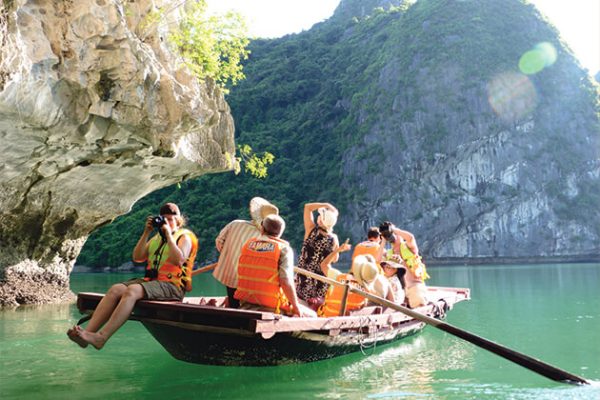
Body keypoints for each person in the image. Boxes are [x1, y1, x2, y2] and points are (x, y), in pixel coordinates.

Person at [67, 203, 198, 349]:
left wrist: (168, 235)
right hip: (152, 283)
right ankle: (87, 334)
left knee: (133, 290)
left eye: (171, 219)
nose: (167, 222)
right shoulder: (156, 239)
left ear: (179, 220)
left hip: (172, 287)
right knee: (116, 289)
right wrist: (146, 232)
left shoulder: (185, 237)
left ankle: (101, 337)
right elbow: (137, 257)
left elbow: (178, 260)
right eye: (164, 219)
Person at [234, 214, 316, 317]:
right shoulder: (283, 249)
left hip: (245, 304)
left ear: (262, 229)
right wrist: (296, 306)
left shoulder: (248, 245)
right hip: (272, 309)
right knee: (312, 315)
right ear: (281, 232)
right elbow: (285, 282)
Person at [213, 197, 279, 308]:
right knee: (247, 306)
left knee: (233, 303)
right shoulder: (267, 238)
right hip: (251, 279)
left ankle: (233, 318)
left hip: (230, 273)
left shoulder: (235, 224)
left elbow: (219, 241)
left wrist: (228, 255)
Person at [295, 202, 340, 306]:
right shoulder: (334, 239)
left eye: (320, 215)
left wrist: (326, 204)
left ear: (320, 221)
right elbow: (335, 259)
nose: (318, 216)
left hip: (304, 280)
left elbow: (307, 207)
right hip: (321, 283)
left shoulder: (311, 230)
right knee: (316, 308)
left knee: (302, 305)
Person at [379, 221, 429, 308]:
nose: (392, 237)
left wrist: (394, 230)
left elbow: (410, 237)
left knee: (419, 309)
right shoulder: (389, 253)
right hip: (399, 291)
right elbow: (377, 259)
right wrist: (383, 240)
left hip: (414, 287)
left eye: (394, 234)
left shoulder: (408, 246)